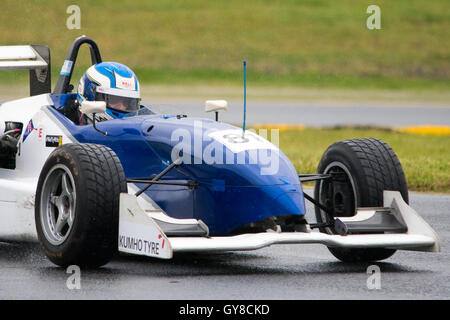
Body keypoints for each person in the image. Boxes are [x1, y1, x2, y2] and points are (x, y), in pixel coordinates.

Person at [76, 62, 141, 121]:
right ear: (90, 97)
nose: (122, 107)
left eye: (128, 102)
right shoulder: (67, 131)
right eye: (114, 100)